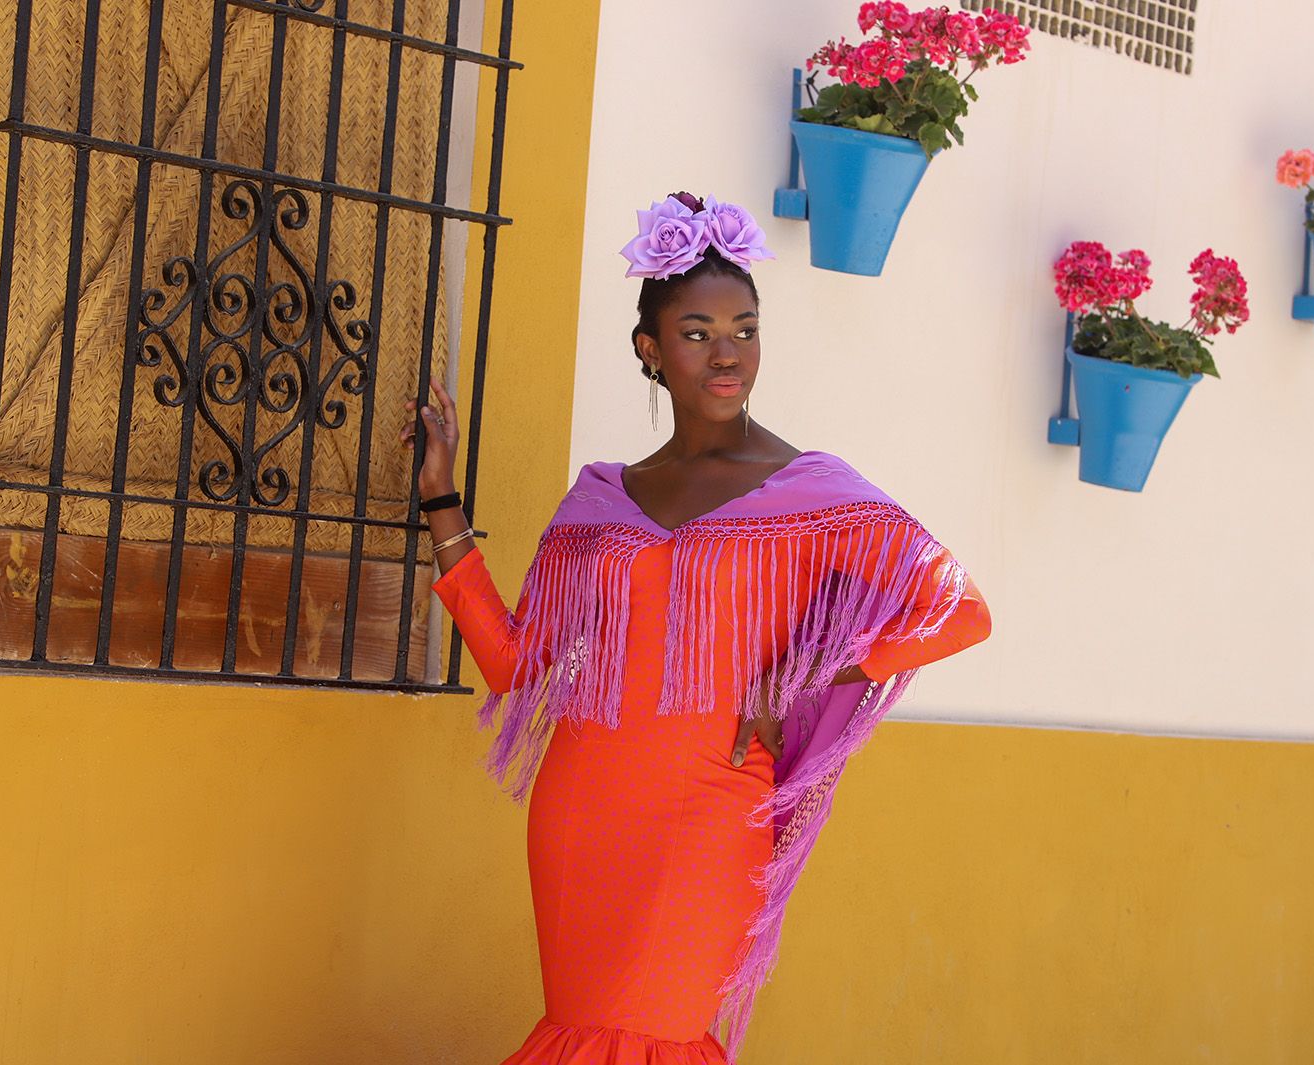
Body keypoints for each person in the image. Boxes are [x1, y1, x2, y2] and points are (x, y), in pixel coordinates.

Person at [400, 192, 992, 1064]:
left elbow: (959, 607)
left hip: (714, 807)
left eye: (746, 330)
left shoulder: (815, 492)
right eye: (699, 331)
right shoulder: (601, 497)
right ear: (650, 348)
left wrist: (802, 677)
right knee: (584, 1026)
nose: (728, 354)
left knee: (663, 1031)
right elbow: (517, 663)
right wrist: (440, 502)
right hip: (584, 803)